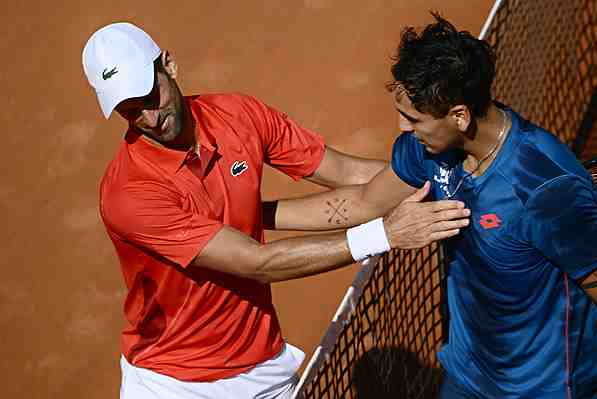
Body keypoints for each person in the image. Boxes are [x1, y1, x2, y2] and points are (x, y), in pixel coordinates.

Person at [81, 22, 471, 399]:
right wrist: (385, 234)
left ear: (169, 65)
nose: (150, 118)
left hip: (263, 368)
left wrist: (441, 173)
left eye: (151, 98)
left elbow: (348, 174)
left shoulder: (238, 115)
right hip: (175, 385)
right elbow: (257, 262)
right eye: (131, 111)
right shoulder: (129, 194)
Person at [271, 13, 597, 399]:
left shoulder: (545, 190)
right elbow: (364, 202)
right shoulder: (430, 150)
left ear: (460, 116)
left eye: (413, 118)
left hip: (547, 388)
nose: (403, 128)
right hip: (467, 376)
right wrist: (259, 214)